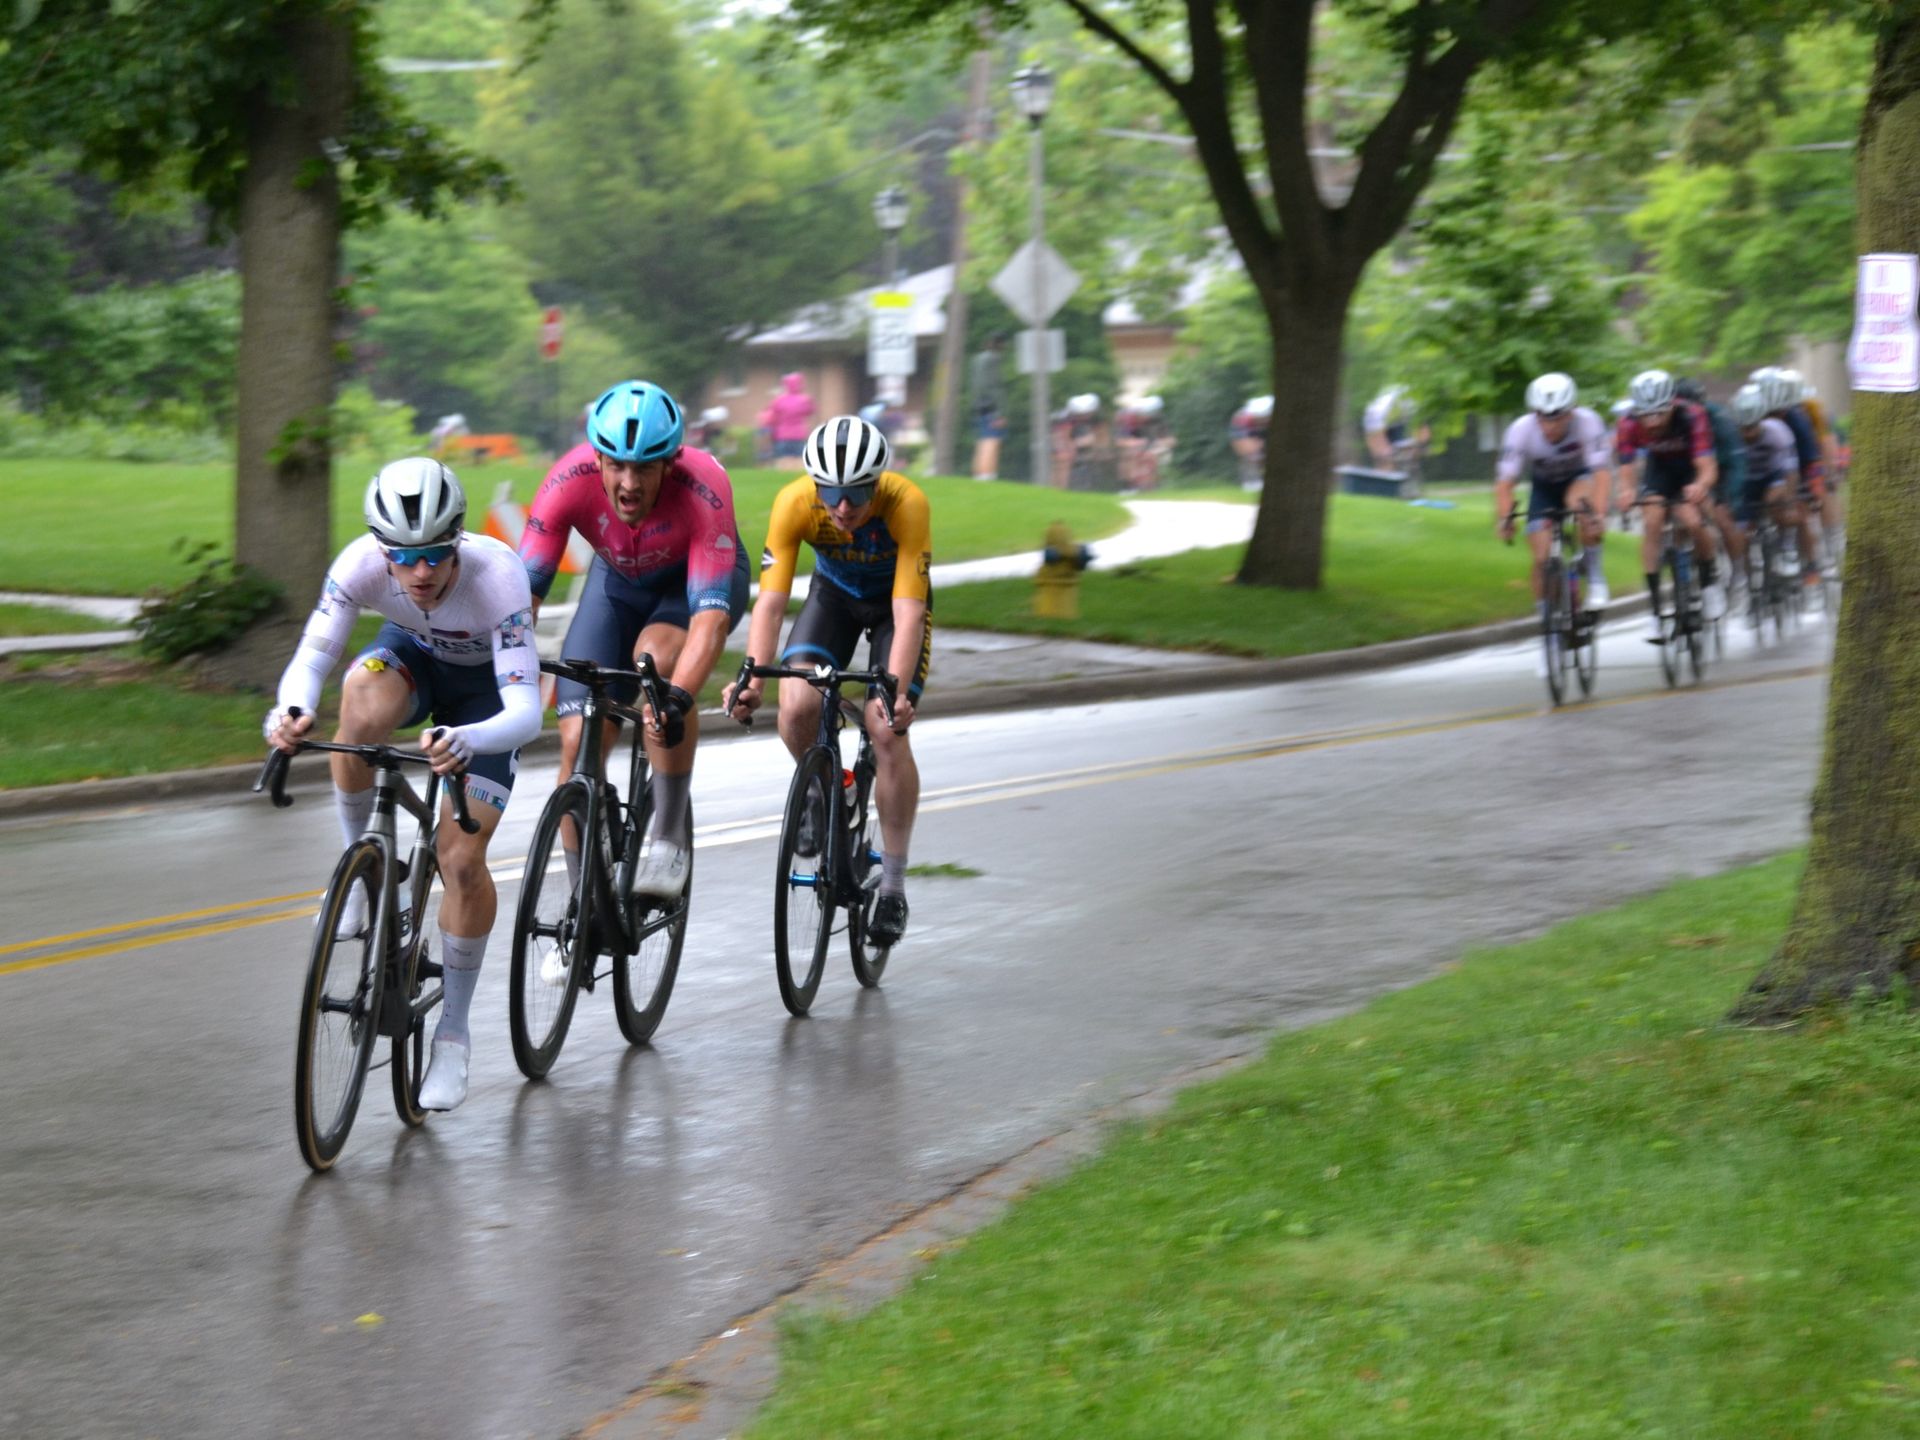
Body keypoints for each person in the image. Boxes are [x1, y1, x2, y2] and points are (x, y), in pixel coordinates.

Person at [264, 458, 542, 1114]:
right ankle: (358, 866)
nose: (420, 572)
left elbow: (527, 710)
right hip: (414, 658)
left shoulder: (498, 577)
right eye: (405, 557)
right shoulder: (359, 563)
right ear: (383, 550)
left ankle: (453, 1035)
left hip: (485, 703)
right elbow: (313, 656)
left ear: (458, 542)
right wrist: (292, 711)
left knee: (461, 860)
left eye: (436, 555)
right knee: (357, 696)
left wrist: (471, 740)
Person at [518, 380, 749, 907]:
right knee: (578, 741)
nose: (628, 482)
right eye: (616, 465)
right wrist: (505, 673)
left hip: (689, 585)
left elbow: (710, 622)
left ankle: (667, 834)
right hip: (617, 581)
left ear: (670, 463)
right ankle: (583, 906)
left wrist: (678, 698)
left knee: (657, 662)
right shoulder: (567, 481)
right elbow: (521, 600)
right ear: (596, 457)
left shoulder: (704, 485)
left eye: (644, 467)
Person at [722, 415, 931, 948]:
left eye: (857, 492)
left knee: (886, 729)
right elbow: (769, 603)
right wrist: (751, 676)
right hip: (833, 597)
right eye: (832, 492)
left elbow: (908, 614)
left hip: (893, 607)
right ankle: (827, 788)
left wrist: (896, 692)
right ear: (816, 484)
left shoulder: (907, 504)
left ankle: (893, 888)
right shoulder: (794, 502)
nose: (843, 506)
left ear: (877, 482)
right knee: (794, 709)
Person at [1492, 373, 1614, 665]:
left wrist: (1597, 515)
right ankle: (1548, 629)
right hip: (1544, 488)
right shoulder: (1520, 430)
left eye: (1557, 417)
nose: (1550, 425)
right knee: (1541, 556)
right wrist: (1505, 518)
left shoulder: (1588, 423)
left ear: (1571, 411)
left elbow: (1602, 474)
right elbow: (1505, 483)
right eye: (1543, 417)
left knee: (1580, 505)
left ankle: (1595, 577)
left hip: (1578, 479)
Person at [1615, 367, 1724, 636]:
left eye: (1660, 413)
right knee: (1652, 521)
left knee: (1693, 521)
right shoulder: (1628, 423)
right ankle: (1655, 610)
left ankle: (1709, 582)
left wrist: (1700, 485)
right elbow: (1627, 469)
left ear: (1671, 405)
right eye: (1646, 415)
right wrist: (1627, 492)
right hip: (1659, 470)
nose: (1652, 422)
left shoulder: (1691, 415)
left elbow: (1707, 466)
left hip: (1689, 469)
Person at [1728, 381, 1810, 606]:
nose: (1749, 434)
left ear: (1760, 420)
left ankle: (1786, 547)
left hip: (1773, 476)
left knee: (1777, 504)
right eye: (1744, 429)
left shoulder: (1778, 433)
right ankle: (1746, 580)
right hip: (1746, 482)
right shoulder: (1733, 437)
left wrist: (1790, 500)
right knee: (1741, 534)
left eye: (1753, 427)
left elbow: (1791, 472)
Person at [968, 336, 1007, 481]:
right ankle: (987, 474)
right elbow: (995, 387)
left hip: (978, 405)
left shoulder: (976, 360)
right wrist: (1000, 412)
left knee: (982, 439)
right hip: (992, 406)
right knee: (992, 439)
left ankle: (979, 472)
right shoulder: (993, 360)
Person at [766, 371, 817, 470]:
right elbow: (811, 411)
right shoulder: (805, 400)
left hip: (783, 435)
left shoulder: (779, 400)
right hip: (799, 434)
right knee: (799, 462)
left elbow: (773, 417)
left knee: (783, 462)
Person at [1230, 394, 1271, 488]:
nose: (1263, 420)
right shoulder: (1243, 419)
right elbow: (1243, 443)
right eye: (1261, 419)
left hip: (1257, 432)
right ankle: (1251, 480)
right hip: (1244, 433)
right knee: (1250, 454)